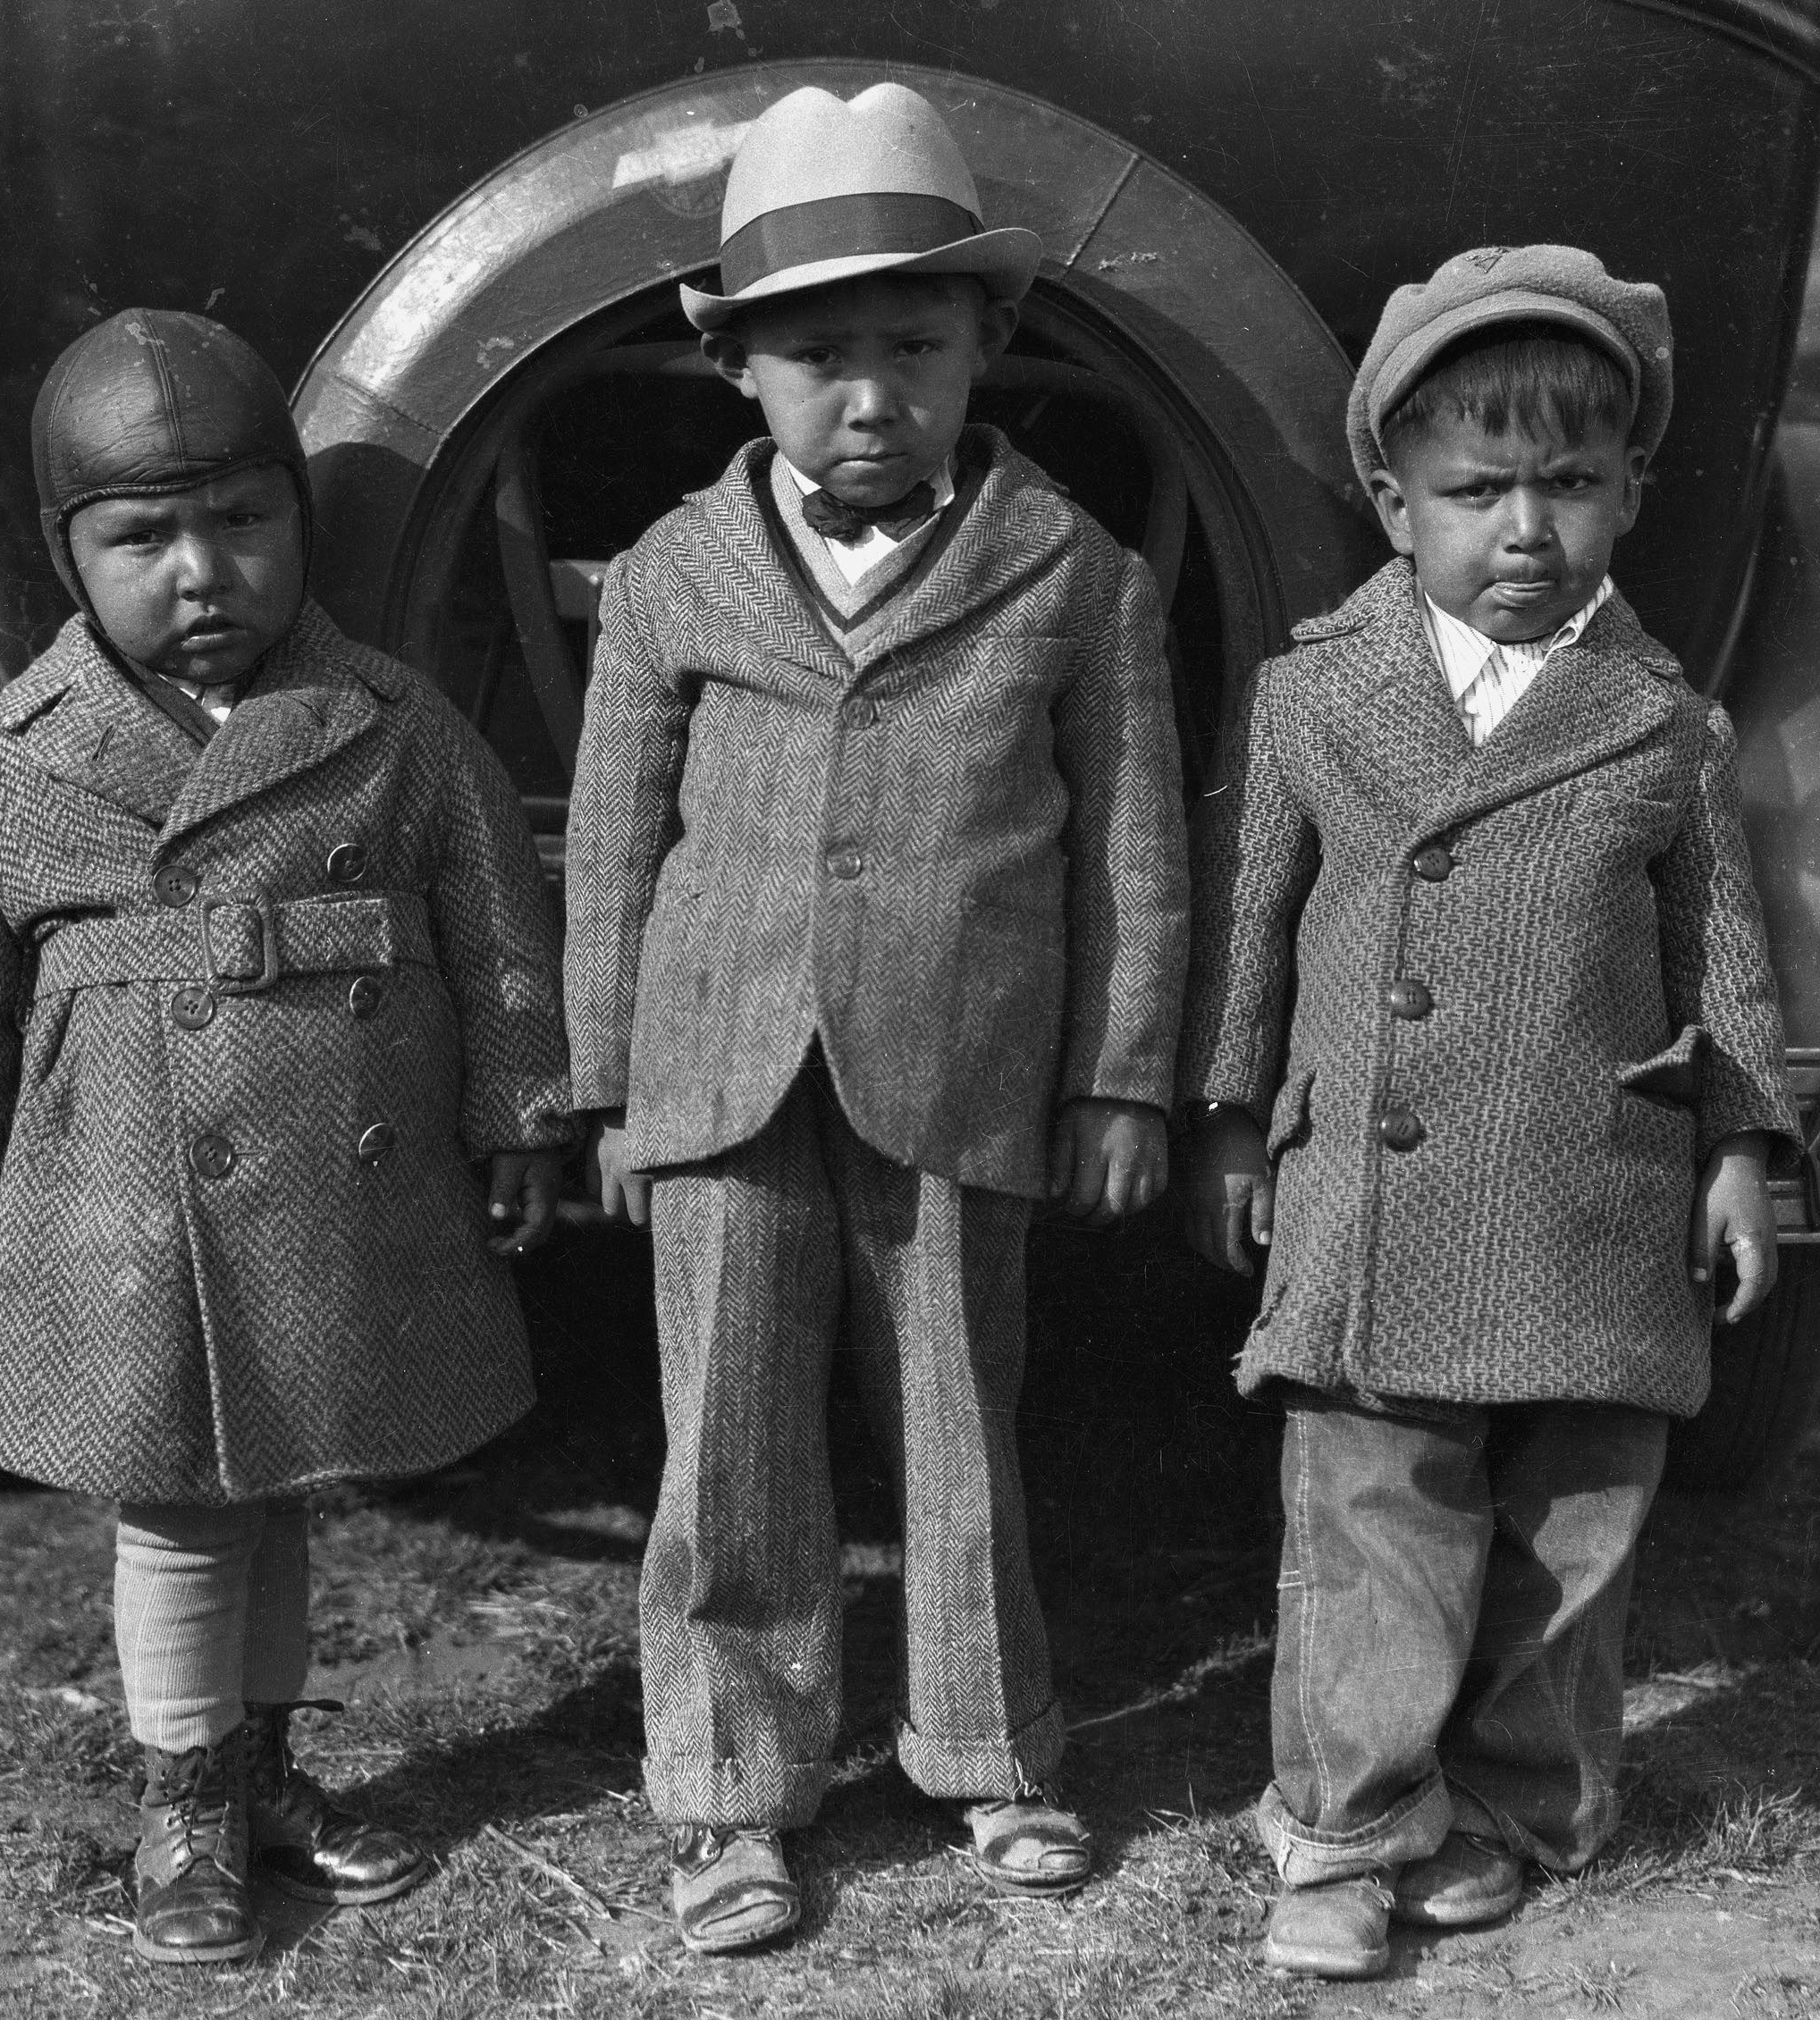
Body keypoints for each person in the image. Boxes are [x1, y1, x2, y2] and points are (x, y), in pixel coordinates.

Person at [562, 81, 1190, 1956]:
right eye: (815, 354)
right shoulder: (675, 573)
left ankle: (988, 1747)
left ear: (987, 343)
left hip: (964, 1068)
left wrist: (1123, 1069)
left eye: (912, 347)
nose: (867, 396)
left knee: (957, 1421)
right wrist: (604, 1080)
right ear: (735, 367)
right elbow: (611, 841)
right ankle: (734, 1794)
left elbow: (1135, 854)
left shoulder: (1076, 576)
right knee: (730, 1438)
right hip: (720, 1073)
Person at [0, 308, 576, 1966]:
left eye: (244, 522)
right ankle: (180, 1792)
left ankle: (260, 1773)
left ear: (299, 524)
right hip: (119, 1195)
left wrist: (521, 1111)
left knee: (279, 1491)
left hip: (342, 1177)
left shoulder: (392, 725)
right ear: (71, 555)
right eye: (144, 537)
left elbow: (496, 934)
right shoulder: (10, 768)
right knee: (176, 1503)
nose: (203, 571)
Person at [1173, 245, 1799, 1981]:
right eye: (1478, 489)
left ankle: (1517, 1800)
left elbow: (1725, 960)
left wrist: (1742, 1147)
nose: (1528, 529)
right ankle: (1351, 1820)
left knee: (1576, 1517)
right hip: (1375, 1189)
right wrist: (1233, 1118)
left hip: (1590, 1185)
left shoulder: (1665, 727)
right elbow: (1250, 929)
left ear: (1630, 491)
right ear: (1393, 495)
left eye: (1574, 485)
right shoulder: (1318, 695)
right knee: (1374, 1511)